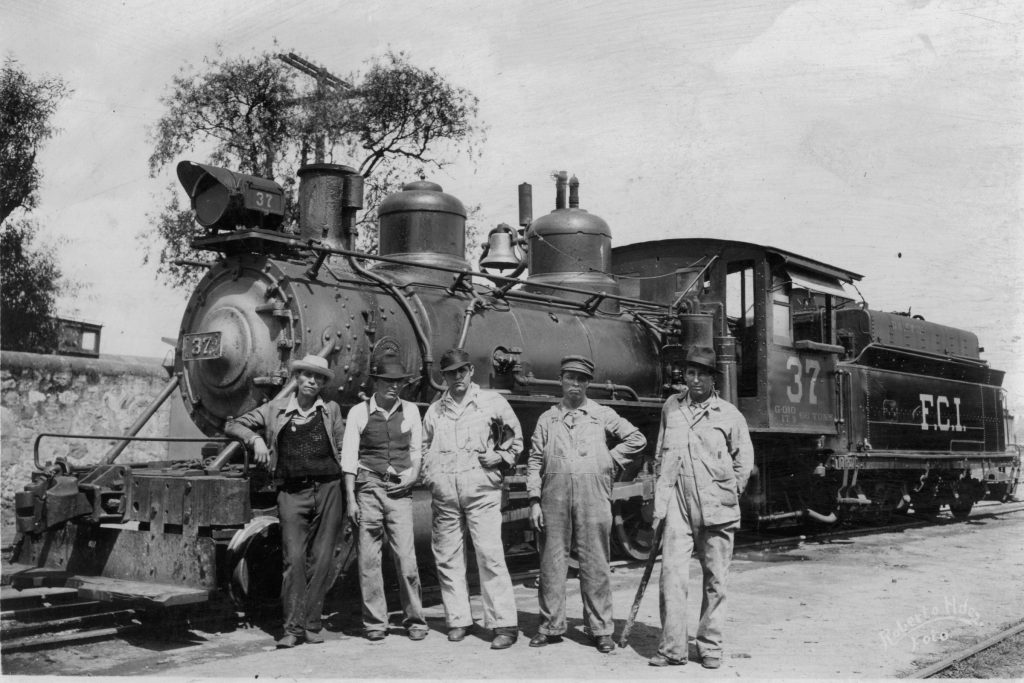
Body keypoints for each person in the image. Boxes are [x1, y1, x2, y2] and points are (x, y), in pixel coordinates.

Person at [527, 355, 646, 652]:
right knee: (551, 563)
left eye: (582, 379)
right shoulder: (547, 418)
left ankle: (601, 629)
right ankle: (550, 625)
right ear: (561, 379)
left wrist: (610, 459)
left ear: (588, 383)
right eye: (570, 377)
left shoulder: (602, 414)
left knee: (595, 562)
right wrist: (533, 500)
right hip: (553, 495)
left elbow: (637, 438)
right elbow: (534, 461)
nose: (575, 384)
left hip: (593, 494)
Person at [224, 354, 345, 648]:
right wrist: (256, 440)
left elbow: (341, 448)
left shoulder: (331, 410)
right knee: (294, 560)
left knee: (323, 559)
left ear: (322, 384)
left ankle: (312, 624)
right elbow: (233, 424)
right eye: (307, 376)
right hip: (291, 492)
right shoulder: (274, 409)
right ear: (297, 378)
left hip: (329, 489)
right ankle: (291, 628)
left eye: (318, 378)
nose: (312, 382)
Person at [648, 346, 754, 669]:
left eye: (701, 374)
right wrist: (661, 497)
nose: (694, 380)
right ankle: (672, 648)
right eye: (689, 373)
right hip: (677, 503)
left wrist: (729, 491)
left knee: (716, 579)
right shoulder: (671, 407)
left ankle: (709, 646)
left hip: (716, 505)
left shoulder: (730, 415)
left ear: (712, 378)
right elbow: (659, 454)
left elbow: (744, 460)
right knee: (672, 575)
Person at [421, 348, 523, 650]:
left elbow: (514, 438)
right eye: (451, 373)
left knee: (490, 555)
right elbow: (424, 446)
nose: (457, 377)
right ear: (444, 377)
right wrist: (431, 475)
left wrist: (500, 457)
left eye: (462, 371)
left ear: (471, 372)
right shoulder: (435, 410)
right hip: (445, 496)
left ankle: (504, 624)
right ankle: (459, 620)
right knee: (448, 558)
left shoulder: (491, 402)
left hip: (481, 491)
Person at [341, 355, 428, 642]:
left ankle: (415, 620)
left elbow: (417, 451)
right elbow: (350, 459)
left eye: (398, 382)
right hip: (368, 487)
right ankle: (375, 622)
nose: (394, 387)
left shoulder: (412, 411)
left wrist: (414, 476)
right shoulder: (358, 412)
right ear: (376, 382)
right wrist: (351, 500)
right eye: (388, 381)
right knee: (368, 559)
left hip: (400, 489)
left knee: (406, 557)